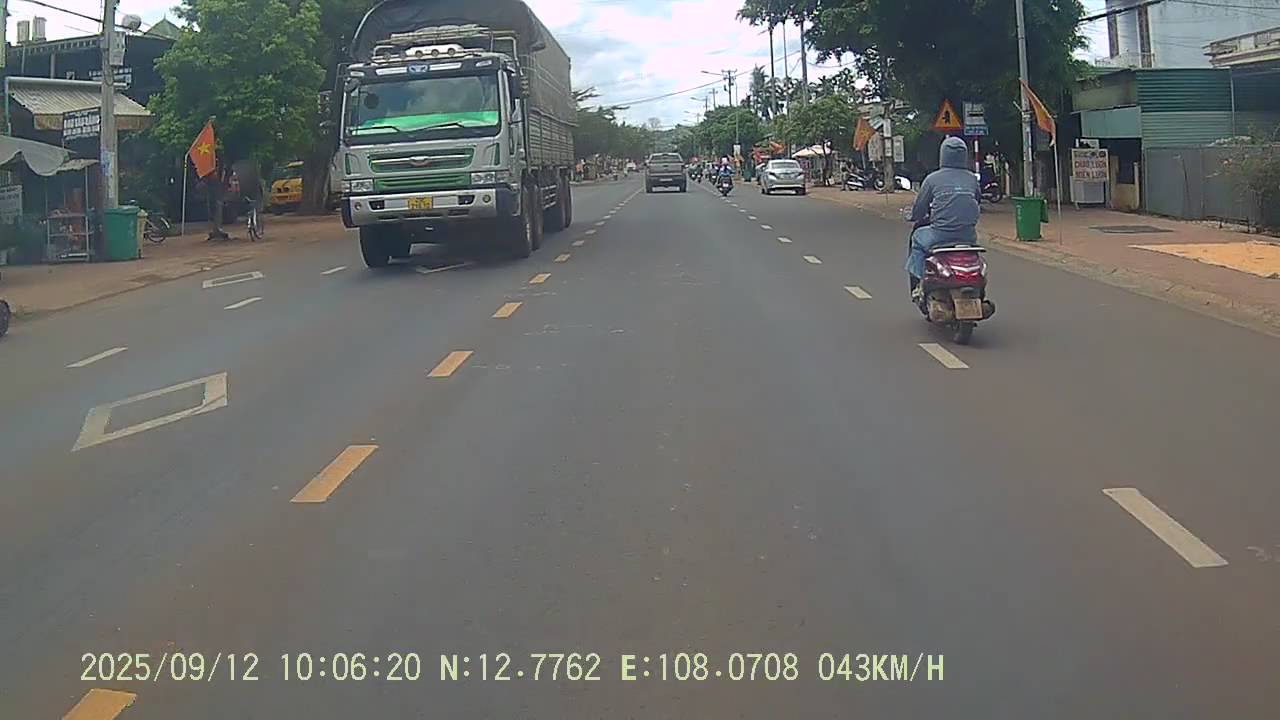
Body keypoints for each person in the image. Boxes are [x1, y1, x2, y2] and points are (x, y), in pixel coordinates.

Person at [906, 136, 980, 295]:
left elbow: (919, 209)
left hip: (939, 236)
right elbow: (977, 201)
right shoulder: (972, 179)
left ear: (943, 155)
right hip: (968, 237)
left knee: (917, 237)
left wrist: (913, 216)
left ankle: (918, 284)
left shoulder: (932, 179)